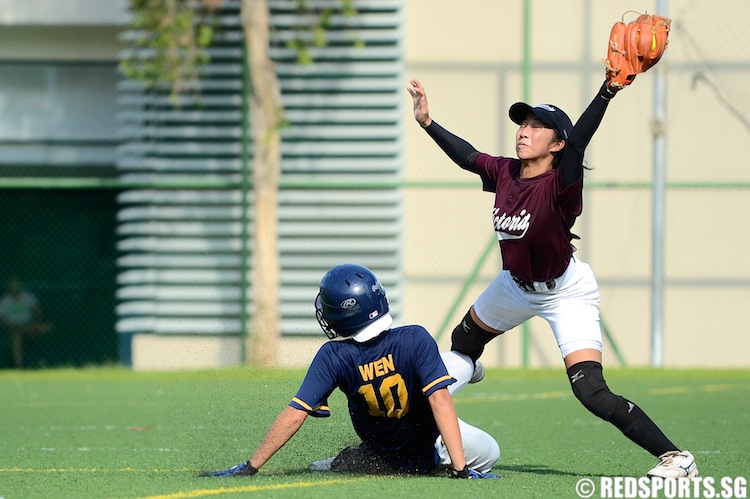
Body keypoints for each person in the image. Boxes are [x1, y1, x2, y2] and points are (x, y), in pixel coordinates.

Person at [406, 78, 698, 479]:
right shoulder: (507, 172)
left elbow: (579, 142)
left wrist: (607, 90)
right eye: (522, 123)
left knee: (590, 392)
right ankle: (468, 366)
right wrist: (427, 122)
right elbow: (468, 156)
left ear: (557, 144)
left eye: (537, 126)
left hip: (565, 291)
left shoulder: (561, 186)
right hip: (514, 285)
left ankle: (677, 457)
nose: (524, 131)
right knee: (463, 341)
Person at [205, 264, 501, 478]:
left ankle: (467, 369)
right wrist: (461, 470)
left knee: (451, 370)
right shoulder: (415, 337)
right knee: (490, 448)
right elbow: (439, 401)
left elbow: (295, 414)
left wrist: (251, 466)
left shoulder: (335, 355)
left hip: (385, 439)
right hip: (429, 438)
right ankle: (468, 372)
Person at [0, 276, 52, 369]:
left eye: (16, 283)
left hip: (29, 325)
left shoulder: (28, 297)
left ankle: (50, 361)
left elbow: (38, 312)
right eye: (12, 284)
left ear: (20, 285)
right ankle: (18, 366)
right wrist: (10, 325)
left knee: (48, 327)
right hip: (13, 327)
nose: (14, 286)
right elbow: (1, 319)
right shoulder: (5, 300)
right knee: (16, 336)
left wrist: (37, 323)